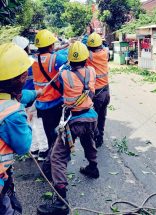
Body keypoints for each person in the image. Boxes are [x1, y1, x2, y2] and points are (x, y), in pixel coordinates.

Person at [37, 41, 98, 215]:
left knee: (57, 156)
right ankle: (93, 166)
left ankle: (61, 200)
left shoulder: (64, 75)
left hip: (74, 120)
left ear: (71, 60)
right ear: (86, 59)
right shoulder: (92, 71)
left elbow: (62, 68)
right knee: (88, 141)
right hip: (91, 117)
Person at [0, 43, 33, 214]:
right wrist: (27, 120)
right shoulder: (13, 113)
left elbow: (23, 96)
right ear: (21, 78)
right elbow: (23, 146)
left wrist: (36, 94)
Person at [32, 29, 67, 176]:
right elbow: (67, 59)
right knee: (56, 135)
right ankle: (53, 162)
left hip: (41, 102)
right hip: (54, 102)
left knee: (48, 132)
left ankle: (52, 158)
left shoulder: (33, 59)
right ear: (51, 46)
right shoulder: (56, 58)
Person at [13, 35, 48, 161]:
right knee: (38, 123)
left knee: (28, 123)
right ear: (26, 48)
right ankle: (43, 150)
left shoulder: (12, 64)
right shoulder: (32, 61)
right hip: (33, 96)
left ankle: (33, 149)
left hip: (20, 99)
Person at [86, 32, 110, 147]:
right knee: (102, 116)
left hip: (97, 93)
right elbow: (103, 46)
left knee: (94, 116)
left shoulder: (89, 56)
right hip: (106, 91)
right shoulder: (105, 52)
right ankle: (100, 137)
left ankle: (95, 138)